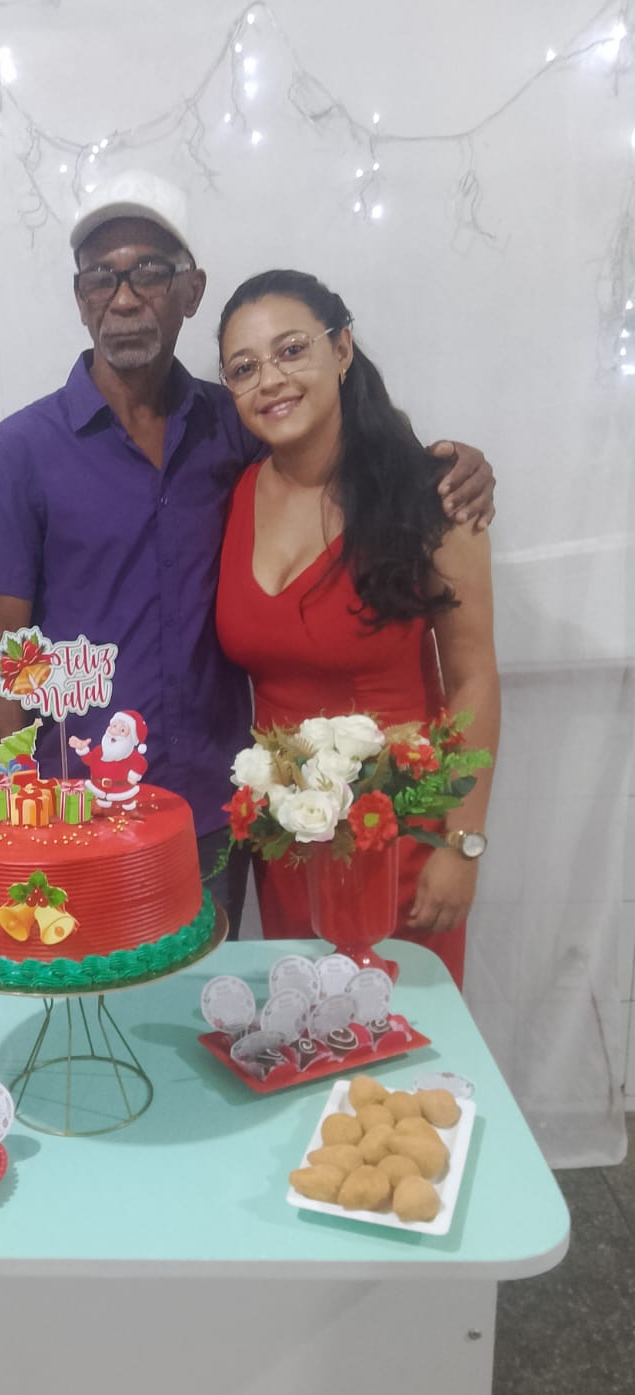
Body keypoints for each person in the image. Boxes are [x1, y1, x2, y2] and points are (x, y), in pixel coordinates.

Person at [0, 170, 496, 932]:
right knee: (89, 999)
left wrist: (453, 465)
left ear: (191, 290)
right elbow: (0, 656)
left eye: (149, 272)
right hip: (81, 815)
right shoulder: (18, 454)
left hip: (221, 814)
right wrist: (25, 819)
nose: (124, 297)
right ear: (80, 298)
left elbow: (346, 455)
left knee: (214, 1000)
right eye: (101, 276)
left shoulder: (237, 426)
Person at [214, 269, 500, 985]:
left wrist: (462, 844)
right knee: (307, 1034)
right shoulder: (237, 492)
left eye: (291, 351)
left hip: (400, 837)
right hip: (288, 842)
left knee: (403, 1044)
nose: (270, 381)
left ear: (341, 349)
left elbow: (474, 678)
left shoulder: (431, 494)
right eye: (243, 369)